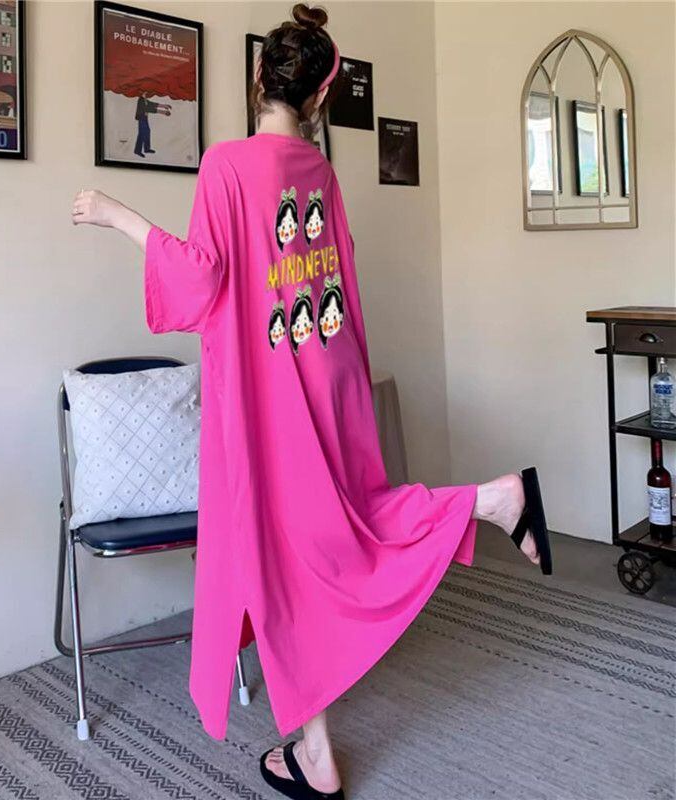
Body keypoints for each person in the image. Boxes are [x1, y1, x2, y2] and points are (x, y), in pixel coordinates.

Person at [71, 5, 553, 798]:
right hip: (329, 380)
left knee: (283, 554)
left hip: (269, 401)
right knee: (339, 531)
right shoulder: (321, 173)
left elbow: (199, 277)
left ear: (257, 76)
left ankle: (492, 503)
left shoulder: (227, 165)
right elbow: (338, 280)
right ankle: (317, 741)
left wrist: (115, 216)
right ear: (322, 96)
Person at [134, 91, 172, 157]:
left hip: (144, 118)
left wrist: (164, 106)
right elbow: (148, 109)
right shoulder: (141, 100)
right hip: (142, 118)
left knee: (145, 133)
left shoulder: (145, 100)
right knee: (143, 134)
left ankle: (145, 149)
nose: (146, 94)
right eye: (145, 92)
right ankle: (139, 150)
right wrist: (163, 112)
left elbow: (153, 104)